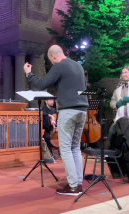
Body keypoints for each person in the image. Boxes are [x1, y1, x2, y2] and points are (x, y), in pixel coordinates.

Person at [23, 45, 88, 196]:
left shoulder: (59, 66)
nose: (51, 63)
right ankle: (78, 182)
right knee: (75, 147)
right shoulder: (78, 66)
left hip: (68, 110)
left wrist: (28, 74)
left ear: (53, 56)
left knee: (65, 148)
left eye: (50, 60)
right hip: (82, 110)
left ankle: (73, 186)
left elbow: (41, 84)